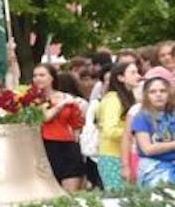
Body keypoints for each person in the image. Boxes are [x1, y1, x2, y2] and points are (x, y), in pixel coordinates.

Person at [33, 63, 89, 192]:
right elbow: (45, 117)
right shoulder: (33, 99)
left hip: (67, 146)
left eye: (42, 75)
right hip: (44, 147)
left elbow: (77, 123)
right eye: (35, 76)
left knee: (71, 192)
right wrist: (61, 105)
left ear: (52, 78)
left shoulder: (66, 97)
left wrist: (76, 138)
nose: (37, 79)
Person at [95, 61, 141, 190]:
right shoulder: (113, 99)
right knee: (118, 197)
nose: (138, 76)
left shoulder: (128, 98)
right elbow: (110, 130)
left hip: (124, 154)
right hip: (112, 156)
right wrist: (135, 133)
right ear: (120, 77)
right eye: (133, 72)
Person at [131, 71, 175, 187]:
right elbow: (147, 149)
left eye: (163, 91)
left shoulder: (173, 114)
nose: (158, 95)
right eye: (153, 92)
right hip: (153, 167)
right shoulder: (142, 117)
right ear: (146, 95)